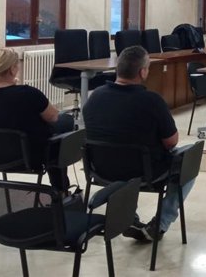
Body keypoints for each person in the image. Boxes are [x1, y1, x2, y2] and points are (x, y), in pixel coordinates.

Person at [82, 46, 194, 242]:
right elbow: (172, 142)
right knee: (190, 158)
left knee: (124, 154)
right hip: (146, 174)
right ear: (143, 72)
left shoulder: (95, 97)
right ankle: (159, 224)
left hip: (101, 171)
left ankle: (130, 219)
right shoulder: (152, 101)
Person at [0, 47, 74, 193]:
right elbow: (53, 117)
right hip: (29, 158)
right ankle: (60, 190)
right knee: (66, 122)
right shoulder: (28, 94)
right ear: (12, 69)